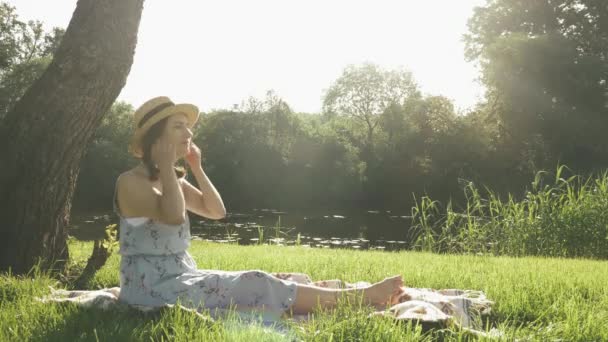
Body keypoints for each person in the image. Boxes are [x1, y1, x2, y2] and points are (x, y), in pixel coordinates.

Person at [113, 96, 403, 317]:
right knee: (255, 282)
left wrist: (196, 168)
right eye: (178, 126)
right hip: (151, 289)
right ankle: (361, 298)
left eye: (188, 127)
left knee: (253, 279)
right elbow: (174, 217)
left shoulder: (172, 180)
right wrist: (166, 164)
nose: (189, 134)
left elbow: (216, 212)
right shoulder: (129, 183)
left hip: (181, 277)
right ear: (156, 136)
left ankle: (353, 297)